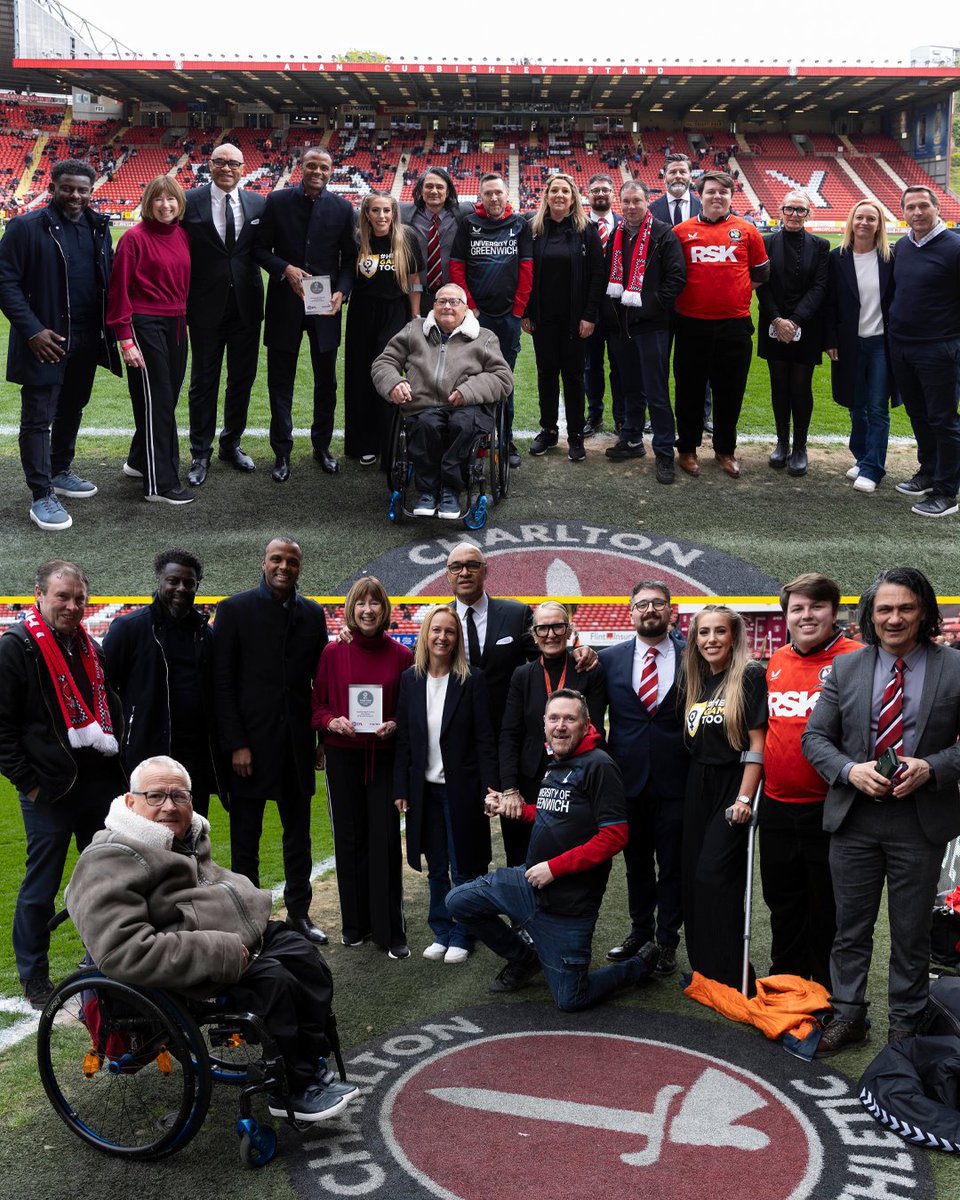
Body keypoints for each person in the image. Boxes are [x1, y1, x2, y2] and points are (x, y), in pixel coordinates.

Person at [67, 756, 359, 1124]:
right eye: (155, 796)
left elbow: (206, 889)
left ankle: (307, 1059)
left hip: (232, 936)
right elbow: (123, 951)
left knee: (306, 959)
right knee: (275, 984)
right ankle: (293, 1089)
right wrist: (218, 951)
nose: (169, 806)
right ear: (130, 801)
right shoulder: (108, 858)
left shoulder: (183, 837)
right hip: (191, 961)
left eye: (179, 796)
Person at [803, 567, 960, 1052]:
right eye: (885, 609)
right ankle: (848, 1015)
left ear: (924, 612)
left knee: (911, 933)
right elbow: (815, 738)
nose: (895, 618)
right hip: (855, 818)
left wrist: (932, 767)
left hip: (920, 820)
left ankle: (905, 1026)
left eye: (906, 608)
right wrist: (851, 771)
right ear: (870, 615)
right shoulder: (847, 669)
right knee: (850, 928)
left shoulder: (954, 667)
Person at [447, 689, 660, 1009]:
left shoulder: (599, 765)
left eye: (570, 719)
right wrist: (511, 808)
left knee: (571, 999)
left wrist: (554, 868)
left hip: (568, 905)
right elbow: (554, 811)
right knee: (458, 901)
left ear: (587, 724)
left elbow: (615, 836)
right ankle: (524, 958)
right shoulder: (558, 761)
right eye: (554, 718)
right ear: (543, 724)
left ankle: (636, 967)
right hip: (528, 884)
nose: (561, 725)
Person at [0, 560, 125, 1008]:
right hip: (49, 790)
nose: (72, 606)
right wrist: (29, 784)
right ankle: (34, 976)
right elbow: (2, 727)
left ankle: (103, 957)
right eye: (62, 597)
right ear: (38, 594)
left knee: (108, 878)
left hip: (96, 786)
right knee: (43, 885)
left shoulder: (91, 648)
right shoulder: (16, 647)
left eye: (79, 599)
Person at [212, 536, 330, 945]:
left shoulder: (313, 614)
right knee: (246, 842)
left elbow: (322, 683)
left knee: (298, 839)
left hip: (297, 747)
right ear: (263, 562)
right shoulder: (233, 610)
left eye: (292, 561)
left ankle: (299, 915)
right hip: (250, 748)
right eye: (277, 559)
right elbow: (222, 684)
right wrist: (236, 743)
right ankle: (250, 921)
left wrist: (322, 738)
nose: (284, 567)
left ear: (300, 567)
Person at [0, 159, 121, 530]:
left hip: (86, 336)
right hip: (46, 339)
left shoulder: (98, 226)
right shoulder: (25, 227)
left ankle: (59, 469)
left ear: (91, 191)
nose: (75, 196)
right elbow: (5, 282)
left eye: (83, 190)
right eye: (67, 188)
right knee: (38, 417)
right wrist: (33, 331)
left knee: (73, 406)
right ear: (53, 187)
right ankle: (41, 495)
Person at [762, 573, 862, 988]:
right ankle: (785, 984)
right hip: (777, 806)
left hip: (832, 807)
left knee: (828, 907)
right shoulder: (776, 660)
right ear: (786, 616)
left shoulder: (857, 657)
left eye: (816, 606)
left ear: (833, 611)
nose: (806, 616)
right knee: (782, 903)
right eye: (797, 608)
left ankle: (826, 993)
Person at [311, 577, 413, 959]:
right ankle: (355, 925)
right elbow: (317, 705)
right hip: (343, 756)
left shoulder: (402, 656)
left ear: (384, 609)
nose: (367, 610)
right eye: (360, 603)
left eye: (374, 603)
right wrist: (330, 722)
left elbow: (409, 711)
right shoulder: (332, 653)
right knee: (349, 841)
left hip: (384, 758)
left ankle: (391, 931)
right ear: (351, 609)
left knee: (384, 840)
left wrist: (396, 725)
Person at [393, 605, 498, 963]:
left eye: (449, 631)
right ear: (425, 635)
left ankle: (465, 932)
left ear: (458, 639)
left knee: (464, 865)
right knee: (436, 866)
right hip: (425, 791)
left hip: (462, 790)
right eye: (435, 630)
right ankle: (442, 928)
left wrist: (491, 788)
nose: (442, 637)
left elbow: (485, 738)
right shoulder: (411, 680)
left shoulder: (473, 680)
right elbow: (405, 740)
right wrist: (401, 788)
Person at [600, 581, 689, 976]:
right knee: (636, 864)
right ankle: (641, 932)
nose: (649, 610)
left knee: (672, 866)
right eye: (641, 604)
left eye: (657, 603)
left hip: (678, 780)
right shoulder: (609, 659)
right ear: (630, 612)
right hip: (627, 780)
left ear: (671, 611)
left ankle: (667, 941)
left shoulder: (695, 656)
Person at [255, 148, 355, 482]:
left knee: (326, 381)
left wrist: (343, 291)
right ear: (301, 167)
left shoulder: (342, 208)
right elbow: (258, 249)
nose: (317, 171)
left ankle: (322, 446)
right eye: (311, 165)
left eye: (323, 167)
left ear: (331, 170)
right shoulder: (278, 200)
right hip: (285, 303)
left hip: (325, 307)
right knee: (280, 381)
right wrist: (284, 268)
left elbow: (349, 260)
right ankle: (281, 452)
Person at [681, 604, 766, 990]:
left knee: (715, 878)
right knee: (693, 880)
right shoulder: (699, 682)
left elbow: (757, 744)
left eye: (719, 632)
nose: (711, 639)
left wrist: (745, 799)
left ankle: (733, 974)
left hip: (731, 787)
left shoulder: (749, 676)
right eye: (703, 633)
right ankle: (705, 970)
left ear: (734, 637)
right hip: (695, 787)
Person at [372, 284, 512, 519]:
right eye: (441, 301)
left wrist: (468, 391)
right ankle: (428, 491)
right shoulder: (413, 330)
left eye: (454, 302)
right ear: (433, 306)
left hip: (467, 406)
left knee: (463, 425)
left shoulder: (485, 338)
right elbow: (383, 362)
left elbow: (503, 378)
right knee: (425, 425)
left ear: (466, 308)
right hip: (424, 404)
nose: (447, 306)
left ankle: (450, 490)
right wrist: (394, 383)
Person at [102, 548, 222, 818]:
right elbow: (106, 690)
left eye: (189, 583)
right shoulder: (130, 628)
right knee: (144, 833)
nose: (181, 588)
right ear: (160, 581)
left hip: (194, 758)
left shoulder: (204, 633)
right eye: (173, 581)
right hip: (145, 755)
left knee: (187, 832)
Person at [672, 171, 770, 479]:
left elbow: (760, 274)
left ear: (731, 196)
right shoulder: (681, 231)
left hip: (734, 326)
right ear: (700, 194)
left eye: (723, 192)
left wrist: (733, 292)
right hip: (691, 325)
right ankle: (687, 449)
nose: (717, 196)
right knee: (689, 390)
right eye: (712, 191)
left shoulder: (747, 230)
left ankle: (725, 450)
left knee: (730, 391)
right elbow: (673, 276)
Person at [182, 143, 266, 486]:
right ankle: (200, 452)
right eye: (220, 161)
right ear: (210, 165)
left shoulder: (260, 203)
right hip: (204, 306)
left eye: (233, 163)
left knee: (241, 380)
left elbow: (266, 249)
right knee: (203, 382)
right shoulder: (188, 201)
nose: (226, 167)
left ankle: (231, 443)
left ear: (243, 168)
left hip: (246, 306)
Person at [107, 174, 193, 506]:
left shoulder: (182, 236)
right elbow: (118, 293)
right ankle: (160, 485)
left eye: (171, 198)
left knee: (164, 401)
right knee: (157, 403)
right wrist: (126, 339)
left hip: (177, 323)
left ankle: (139, 462)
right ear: (148, 203)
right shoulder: (133, 239)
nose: (165, 204)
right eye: (158, 199)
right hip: (145, 325)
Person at [499, 602, 607, 866]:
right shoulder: (522, 676)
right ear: (534, 635)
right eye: (543, 628)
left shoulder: (588, 669)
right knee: (521, 860)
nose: (551, 634)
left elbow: (596, 731)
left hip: (575, 779)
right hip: (529, 780)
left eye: (557, 626)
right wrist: (509, 789)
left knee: (567, 858)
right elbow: (510, 733)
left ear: (569, 630)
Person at [602, 179, 686, 484]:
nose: (631, 207)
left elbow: (676, 278)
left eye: (636, 201)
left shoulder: (663, 233)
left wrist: (651, 307)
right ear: (620, 204)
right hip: (622, 326)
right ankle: (633, 439)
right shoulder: (617, 233)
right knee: (629, 387)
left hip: (653, 326)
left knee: (656, 391)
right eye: (625, 202)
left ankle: (664, 451)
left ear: (647, 201)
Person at [450, 173, 533, 470]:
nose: (494, 198)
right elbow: (457, 268)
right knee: (472, 379)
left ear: (507, 194)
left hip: (508, 318)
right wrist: (469, 307)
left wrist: (517, 310)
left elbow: (526, 270)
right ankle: (477, 440)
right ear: (481, 197)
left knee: (503, 381)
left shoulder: (519, 225)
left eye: (498, 193)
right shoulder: (469, 224)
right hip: (475, 317)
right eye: (488, 194)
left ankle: (505, 439)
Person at [886, 187, 960, 518]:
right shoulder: (903, 246)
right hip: (902, 345)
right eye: (910, 207)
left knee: (944, 420)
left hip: (939, 348)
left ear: (936, 208)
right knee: (918, 413)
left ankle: (947, 491)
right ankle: (928, 471)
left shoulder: (955, 247)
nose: (917, 212)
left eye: (923, 206)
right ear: (903, 212)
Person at [522, 174, 605, 464]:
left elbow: (598, 276)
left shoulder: (586, 230)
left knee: (573, 377)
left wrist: (589, 315)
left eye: (564, 191)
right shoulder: (532, 228)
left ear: (573, 198)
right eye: (554, 190)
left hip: (575, 320)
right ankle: (548, 430)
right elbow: (523, 272)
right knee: (546, 374)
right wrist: (527, 312)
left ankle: (575, 437)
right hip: (543, 319)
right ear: (546, 195)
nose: (559, 195)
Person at [343, 192, 423, 467]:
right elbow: (345, 274)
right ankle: (364, 443)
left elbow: (414, 281)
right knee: (360, 375)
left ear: (394, 212)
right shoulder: (356, 240)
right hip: (362, 313)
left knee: (387, 374)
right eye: (375, 211)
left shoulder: (407, 237)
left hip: (395, 311)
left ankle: (390, 444)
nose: (381, 216)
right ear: (366, 213)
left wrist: (415, 315)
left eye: (386, 210)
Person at [823, 199, 897, 494]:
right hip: (849, 343)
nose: (864, 223)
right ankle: (863, 456)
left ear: (879, 225)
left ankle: (873, 468)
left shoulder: (891, 258)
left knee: (878, 407)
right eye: (859, 218)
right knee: (856, 406)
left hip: (881, 343)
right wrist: (829, 340)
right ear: (851, 222)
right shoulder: (836, 257)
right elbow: (828, 304)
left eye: (871, 218)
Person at [756, 190, 829, 477]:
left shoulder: (820, 245)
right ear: (781, 210)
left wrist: (795, 321)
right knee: (779, 386)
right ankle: (782, 443)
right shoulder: (766, 242)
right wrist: (776, 319)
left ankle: (800, 447)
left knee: (801, 387)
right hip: (773, 324)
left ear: (808, 213)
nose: (795, 215)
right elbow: (763, 285)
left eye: (801, 210)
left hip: (806, 326)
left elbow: (820, 287)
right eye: (790, 209)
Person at [582, 173, 622, 436]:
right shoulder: (579, 226)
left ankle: (622, 417)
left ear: (612, 194)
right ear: (588, 195)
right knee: (591, 365)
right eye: (595, 190)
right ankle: (594, 414)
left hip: (621, 310)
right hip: (589, 309)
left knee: (621, 366)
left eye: (605, 190)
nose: (600, 194)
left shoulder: (625, 224)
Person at [400, 166, 470, 314]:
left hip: (452, 298)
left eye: (439, 187)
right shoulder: (403, 214)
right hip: (417, 295)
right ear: (420, 189)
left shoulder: (465, 213)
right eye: (429, 186)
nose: (434, 191)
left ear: (448, 191)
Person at [649, 153, 703, 226]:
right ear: (664, 178)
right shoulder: (651, 210)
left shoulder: (703, 207)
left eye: (683, 172)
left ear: (690, 177)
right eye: (672, 172)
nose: (678, 176)